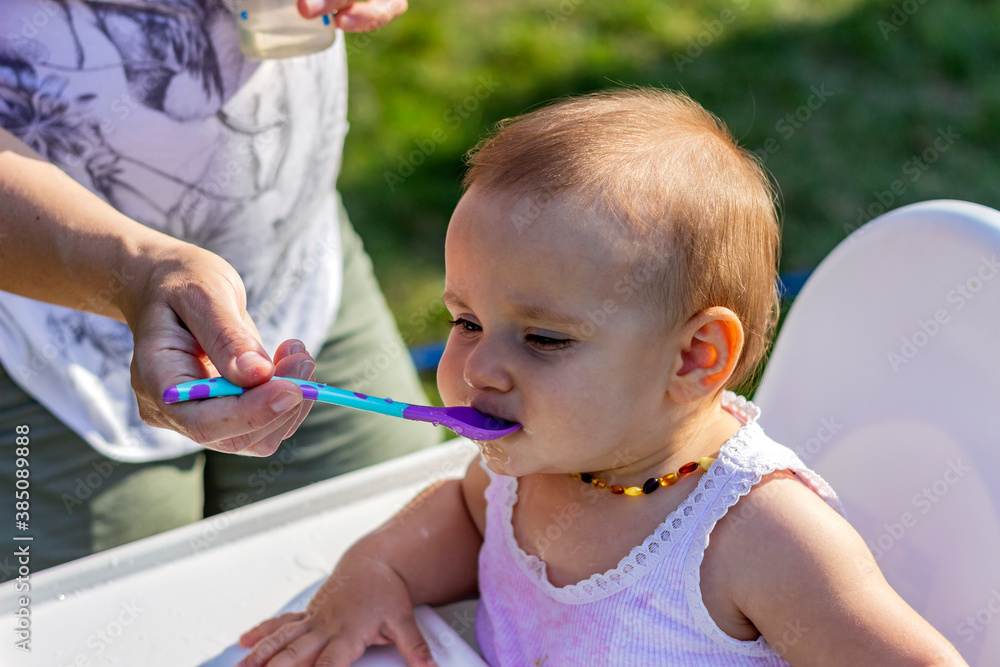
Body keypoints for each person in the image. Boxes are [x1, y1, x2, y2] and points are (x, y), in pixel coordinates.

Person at [235, 88, 967, 666]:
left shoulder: (755, 536)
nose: (479, 368)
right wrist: (373, 571)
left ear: (694, 357)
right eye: (466, 321)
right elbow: (461, 515)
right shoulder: (531, 462)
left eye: (544, 338)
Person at [0, 0, 438, 579]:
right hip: (45, 346)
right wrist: (135, 273)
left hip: (300, 266)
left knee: (402, 551)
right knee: (107, 609)